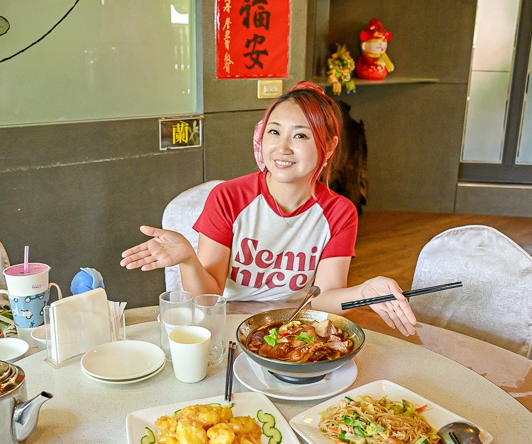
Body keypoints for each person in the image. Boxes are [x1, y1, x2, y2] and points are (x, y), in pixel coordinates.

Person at [120, 81, 417, 336]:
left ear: (328, 147)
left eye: (300, 135)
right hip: (230, 323)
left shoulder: (340, 212)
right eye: (274, 132)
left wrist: (364, 292)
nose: (282, 148)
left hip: (296, 324)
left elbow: (323, 299)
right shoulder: (228, 197)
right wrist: (188, 258)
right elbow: (207, 299)